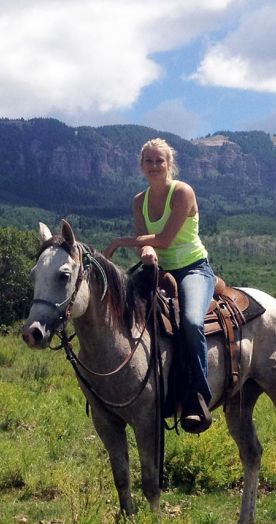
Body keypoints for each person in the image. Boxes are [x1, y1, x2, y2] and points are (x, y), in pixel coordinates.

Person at [104, 138, 215, 433]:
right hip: (159, 270)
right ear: (141, 166)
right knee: (122, 314)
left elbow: (164, 239)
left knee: (191, 322)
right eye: (149, 161)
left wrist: (120, 242)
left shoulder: (182, 192)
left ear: (169, 164)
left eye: (159, 161)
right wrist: (145, 253)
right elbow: (148, 243)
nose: (154, 166)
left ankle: (198, 397)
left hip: (192, 269)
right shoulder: (139, 201)